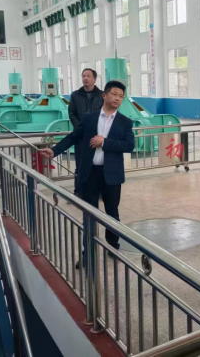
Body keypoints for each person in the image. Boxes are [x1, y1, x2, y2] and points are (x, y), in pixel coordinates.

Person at [39, 81, 134, 268]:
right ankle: (88, 253)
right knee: (89, 215)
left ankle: (113, 247)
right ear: (104, 95)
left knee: (112, 214)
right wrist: (54, 150)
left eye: (121, 96)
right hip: (89, 174)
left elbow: (129, 145)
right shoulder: (90, 118)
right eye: (114, 94)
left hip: (111, 175)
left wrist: (104, 142)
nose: (117, 98)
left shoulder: (125, 122)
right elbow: (73, 137)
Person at [68, 68, 104, 195]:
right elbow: (72, 113)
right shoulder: (75, 95)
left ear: (95, 79)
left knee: (98, 164)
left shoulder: (102, 95)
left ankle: (99, 191)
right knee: (80, 164)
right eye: (83, 76)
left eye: (88, 76)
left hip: (97, 135)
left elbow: (104, 114)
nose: (85, 78)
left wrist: (97, 129)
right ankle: (79, 191)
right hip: (80, 137)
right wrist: (81, 129)